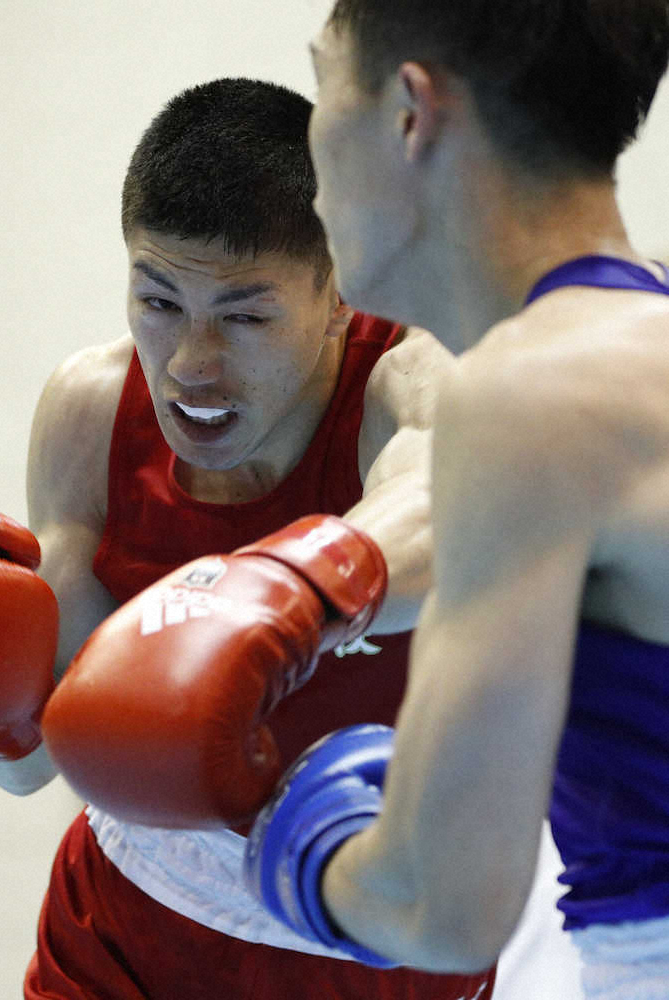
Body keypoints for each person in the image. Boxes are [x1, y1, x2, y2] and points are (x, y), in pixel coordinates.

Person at [0, 78, 577, 999]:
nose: (193, 363)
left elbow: (443, 501)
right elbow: (40, 761)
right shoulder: (92, 412)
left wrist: (275, 594)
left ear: (339, 300)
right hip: (120, 936)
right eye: (158, 301)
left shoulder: (410, 379)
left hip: (369, 949)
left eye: (244, 316)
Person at [239, 3, 669, 998]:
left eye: (321, 85)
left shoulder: (530, 393)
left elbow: (439, 902)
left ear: (406, 112)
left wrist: (293, 841)